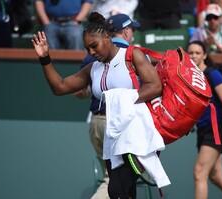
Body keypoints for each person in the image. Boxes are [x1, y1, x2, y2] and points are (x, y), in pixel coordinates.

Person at [32, 12, 166, 199]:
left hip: (135, 136)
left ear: (106, 37)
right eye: (87, 49)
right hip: (111, 139)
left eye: (94, 46)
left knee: (116, 191)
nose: (91, 52)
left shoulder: (132, 55)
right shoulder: (93, 68)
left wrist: (124, 101)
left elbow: (156, 86)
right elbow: (60, 87)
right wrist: (45, 58)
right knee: (126, 193)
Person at [73, 13, 140, 199]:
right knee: (114, 180)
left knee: (119, 179)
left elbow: (80, 92)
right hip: (122, 126)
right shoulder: (133, 54)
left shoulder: (92, 57)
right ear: (126, 32)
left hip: (96, 123)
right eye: (132, 29)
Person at [187, 40, 222, 199]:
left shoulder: (213, 74)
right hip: (203, 130)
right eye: (191, 53)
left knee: (199, 173)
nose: (193, 56)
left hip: (216, 129)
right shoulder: (190, 78)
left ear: (205, 55)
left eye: (197, 53)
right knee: (216, 176)